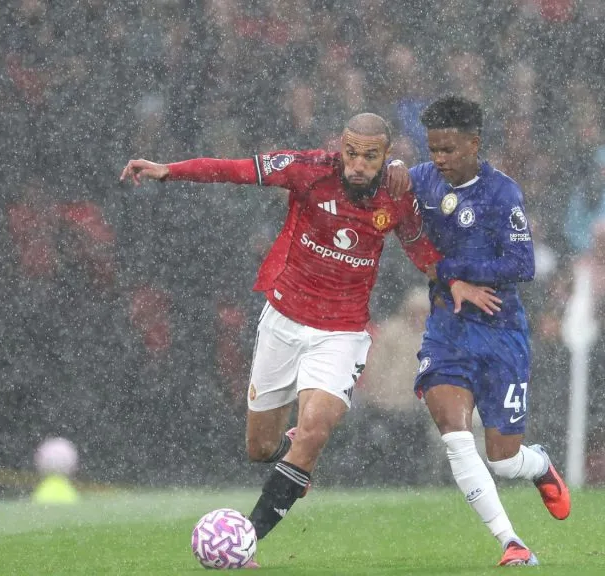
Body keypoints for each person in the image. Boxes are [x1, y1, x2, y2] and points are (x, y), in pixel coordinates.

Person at [120, 113, 500, 565]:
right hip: (283, 320)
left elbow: (421, 248)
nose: (358, 165)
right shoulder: (308, 170)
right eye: (352, 153)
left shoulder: (397, 196)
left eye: (371, 156)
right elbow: (237, 170)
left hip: (341, 333)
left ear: (386, 156)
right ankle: (292, 464)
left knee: (315, 431)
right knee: (259, 447)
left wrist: (456, 281)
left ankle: (249, 539)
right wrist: (169, 170)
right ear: (341, 148)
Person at [407, 96, 571, 567]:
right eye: (433, 149)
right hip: (447, 328)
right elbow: (391, 196)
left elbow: (523, 264)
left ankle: (538, 465)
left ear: (474, 143)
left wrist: (456, 269)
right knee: (455, 436)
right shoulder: (421, 180)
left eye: (449, 150)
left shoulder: (503, 194)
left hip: (500, 331)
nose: (439, 159)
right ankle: (511, 543)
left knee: (502, 459)